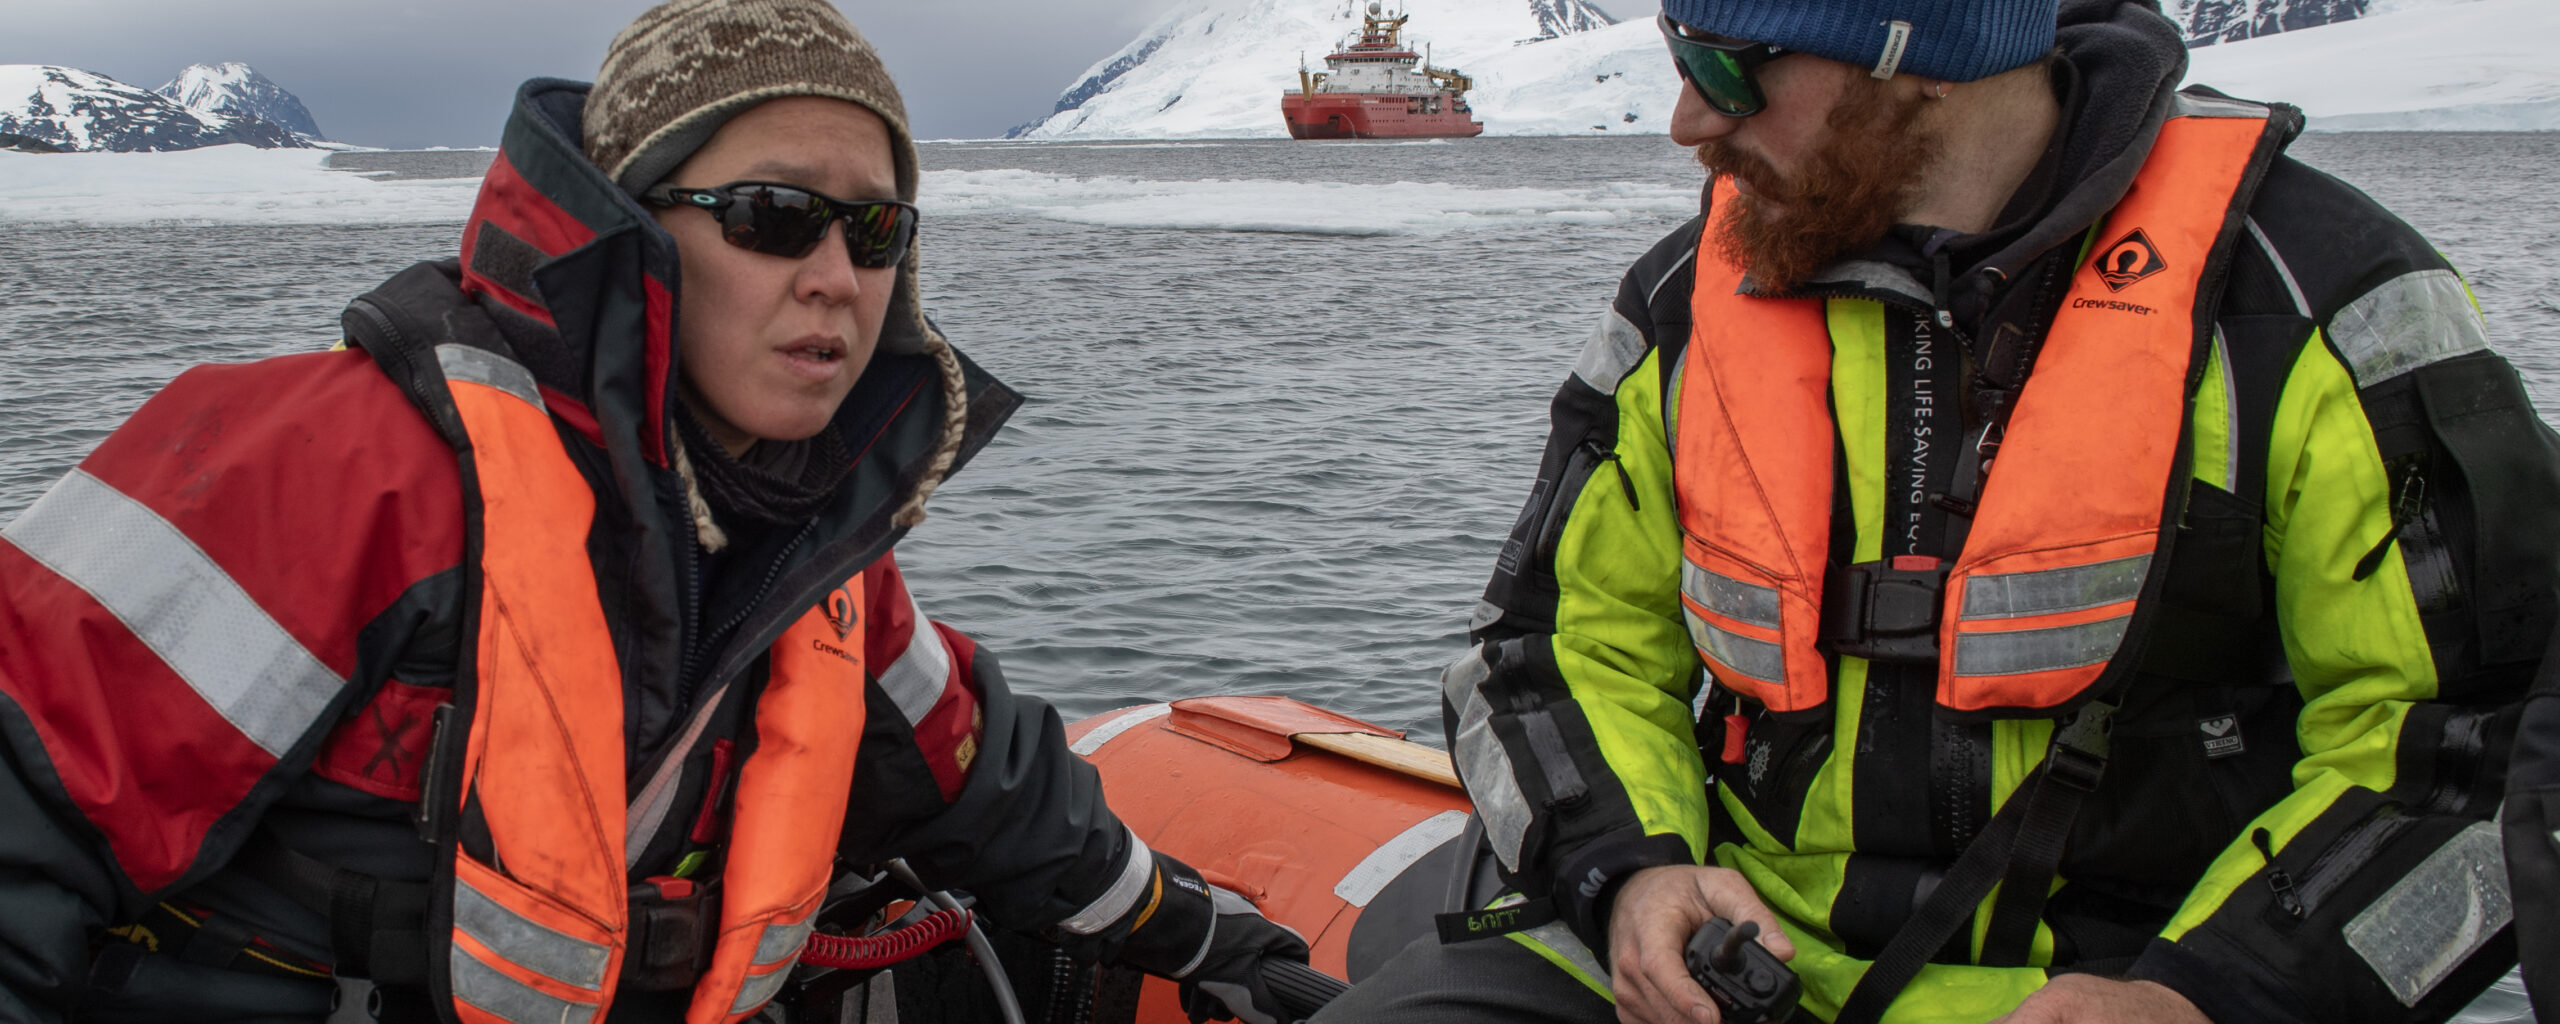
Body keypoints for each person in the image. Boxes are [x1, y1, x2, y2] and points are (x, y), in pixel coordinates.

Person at [0, 1, 1308, 1021]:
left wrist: (1232, 952)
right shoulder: (327, 465)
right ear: (624, 215)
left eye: (876, 228)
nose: (837, 277)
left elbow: (997, 795)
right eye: (776, 216)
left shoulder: (826, 564)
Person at [1319, 0, 2553, 1022]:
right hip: (1716, 960)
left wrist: (2209, 996)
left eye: (1725, 69)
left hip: (2132, 986)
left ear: (1920, 63)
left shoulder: (2307, 301)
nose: (1689, 119)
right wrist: (1628, 876)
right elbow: (1546, 651)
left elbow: (2472, 751)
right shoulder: (1687, 303)